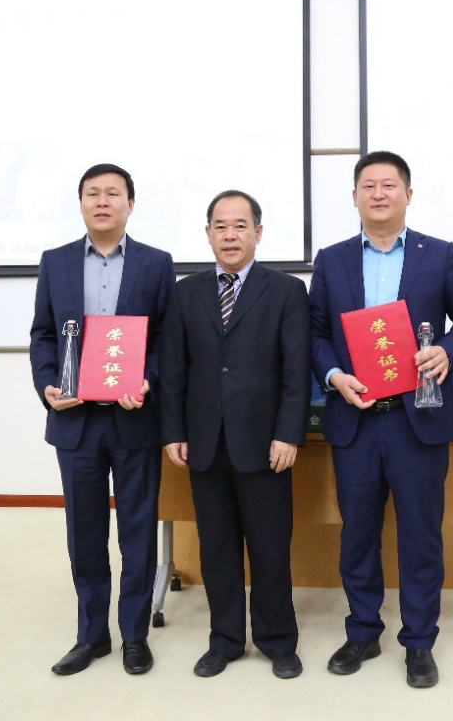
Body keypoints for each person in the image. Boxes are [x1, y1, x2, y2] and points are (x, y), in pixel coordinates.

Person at [310, 151, 453, 689]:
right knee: (358, 534)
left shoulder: (439, 254)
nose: (379, 194)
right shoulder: (332, 259)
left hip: (419, 418)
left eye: (389, 185)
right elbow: (315, 332)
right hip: (357, 417)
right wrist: (334, 374)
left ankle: (419, 640)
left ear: (408, 195)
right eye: (368, 185)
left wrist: (447, 351)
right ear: (355, 197)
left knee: (420, 536)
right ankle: (363, 631)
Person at [29, 163, 175, 677]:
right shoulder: (56, 262)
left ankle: (135, 635)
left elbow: (165, 339)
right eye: (93, 193)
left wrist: (148, 379)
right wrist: (48, 385)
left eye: (113, 193)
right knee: (85, 534)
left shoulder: (156, 264)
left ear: (130, 204)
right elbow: (43, 334)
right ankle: (92, 636)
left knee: (137, 532)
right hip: (76, 422)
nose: (103, 202)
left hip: (135, 419)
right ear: (81, 204)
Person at [163, 190, 309, 680]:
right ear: (208, 234)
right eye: (220, 226)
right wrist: (174, 430)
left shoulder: (286, 291)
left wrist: (288, 434)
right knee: (217, 550)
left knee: (270, 549)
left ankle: (277, 641)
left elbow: (296, 372)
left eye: (240, 226)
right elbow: (174, 369)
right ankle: (224, 641)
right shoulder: (185, 293)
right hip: (204, 444)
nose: (230, 235)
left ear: (258, 233)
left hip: (266, 445)